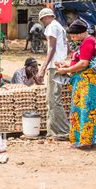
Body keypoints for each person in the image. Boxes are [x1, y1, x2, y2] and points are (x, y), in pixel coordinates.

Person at [56, 19, 96, 149]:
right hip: (82, 82)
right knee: (79, 109)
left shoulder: (88, 42)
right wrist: (65, 64)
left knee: (86, 110)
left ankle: (86, 140)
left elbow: (83, 64)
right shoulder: (85, 41)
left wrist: (66, 70)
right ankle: (80, 139)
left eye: (74, 35)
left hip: (87, 82)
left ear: (81, 33)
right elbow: (79, 60)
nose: (72, 38)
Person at [35, 8, 69, 140]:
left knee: (53, 100)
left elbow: (52, 48)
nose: (43, 22)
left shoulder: (52, 27)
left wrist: (43, 68)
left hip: (54, 67)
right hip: (59, 65)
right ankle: (52, 131)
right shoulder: (60, 27)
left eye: (43, 20)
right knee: (52, 99)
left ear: (45, 18)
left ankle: (63, 131)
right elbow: (67, 47)